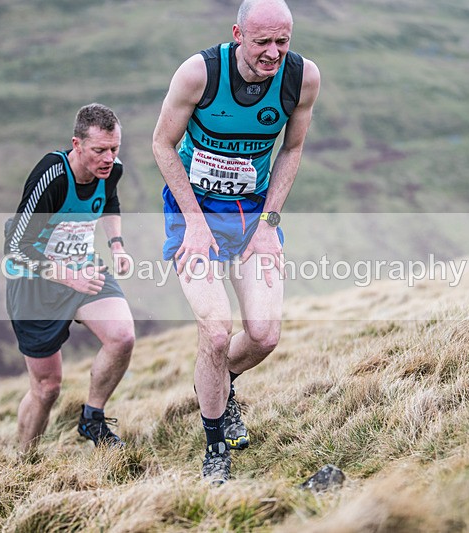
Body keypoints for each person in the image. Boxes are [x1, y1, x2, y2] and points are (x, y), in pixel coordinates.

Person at [152, 0, 320, 483]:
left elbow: (291, 147)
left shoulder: (301, 78)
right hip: (193, 211)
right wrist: (195, 222)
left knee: (265, 334)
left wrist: (269, 223)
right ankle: (215, 446)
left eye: (282, 42)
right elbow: (162, 144)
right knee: (217, 330)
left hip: (252, 215)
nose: (272, 53)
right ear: (238, 33)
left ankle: (221, 386)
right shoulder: (198, 74)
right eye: (262, 41)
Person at [3, 103, 135, 454]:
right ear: (76, 145)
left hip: (83, 268)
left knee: (122, 337)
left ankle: (92, 417)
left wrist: (117, 246)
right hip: (35, 284)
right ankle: (24, 462)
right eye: (99, 151)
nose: (108, 158)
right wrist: (67, 277)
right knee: (47, 388)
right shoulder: (53, 176)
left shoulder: (112, 170)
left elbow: (110, 202)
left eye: (114, 149)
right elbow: (16, 248)